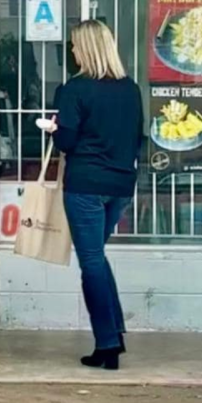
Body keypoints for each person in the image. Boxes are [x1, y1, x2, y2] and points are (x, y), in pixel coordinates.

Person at [44, 20, 144, 371]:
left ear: (85, 49)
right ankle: (114, 332)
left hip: (85, 184)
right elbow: (137, 139)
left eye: (74, 46)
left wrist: (55, 129)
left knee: (91, 263)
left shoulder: (75, 89)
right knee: (97, 258)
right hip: (120, 185)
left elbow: (67, 142)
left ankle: (108, 343)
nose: (71, 51)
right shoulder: (130, 89)